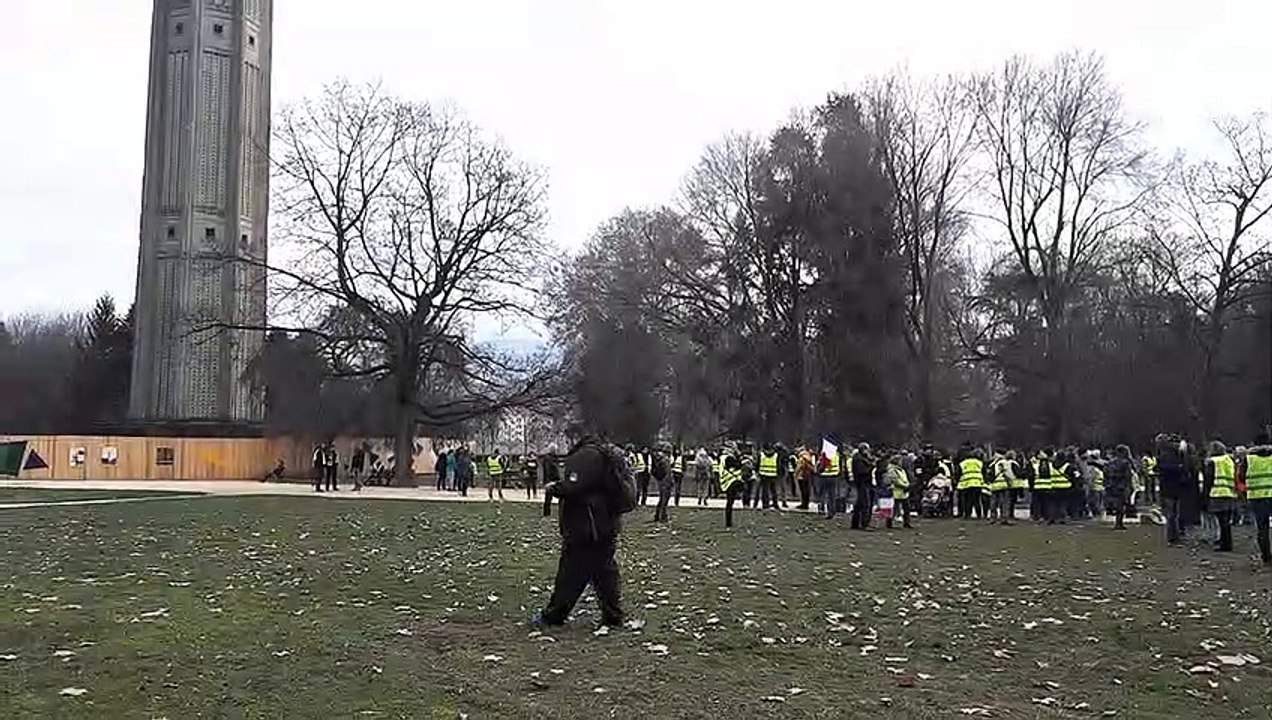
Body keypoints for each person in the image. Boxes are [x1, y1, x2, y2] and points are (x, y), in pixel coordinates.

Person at [533, 437, 626, 628]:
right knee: (605, 574)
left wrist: (555, 488)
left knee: (570, 574)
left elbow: (575, 486)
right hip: (605, 526)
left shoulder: (585, 457)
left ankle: (553, 616)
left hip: (585, 527)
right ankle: (613, 616)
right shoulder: (605, 456)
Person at [1201, 441, 1238, 552]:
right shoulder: (1229, 461)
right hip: (1229, 492)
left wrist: (1204, 496)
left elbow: (1209, 480)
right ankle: (1227, 542)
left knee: (1219, 521)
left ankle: (1223, 543)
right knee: (1226, 521)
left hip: (1216, 493)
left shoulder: (1212, 462)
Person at [1243, 433, 1272, 566]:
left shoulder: (1248, 459)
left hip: (1257, 497)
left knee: (1262, 528)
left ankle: (1266, 556)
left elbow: (1241, 477)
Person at [1156, 435, 1188, 545]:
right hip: (1176, 487)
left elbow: (1163, 468)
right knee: (1174, 513)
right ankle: (1175, 536)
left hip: (1168, 487)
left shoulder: (1165, 455)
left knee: (1171, 514)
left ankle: (1173, 537)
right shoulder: (1178, 455)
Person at [1103, 445, 1135, 530]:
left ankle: (1117, 521)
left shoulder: (1110, 462)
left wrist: (1107, 483)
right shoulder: (1125, 462)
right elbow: (1128, 475)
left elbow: (1105, 473)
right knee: (1122, 504)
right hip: (1121, 485)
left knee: (1115, 504)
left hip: (1111, 485)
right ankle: (1119, 522)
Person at [850, 444, 875, 529]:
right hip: (862, 483)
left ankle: (856, 523)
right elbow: (861, 472)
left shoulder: (860, 458)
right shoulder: (858, 459)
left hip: (865, 483)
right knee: (865, 504)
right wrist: (871, 467)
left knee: (860, 504)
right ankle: (864, 524)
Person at [720, 447, 745, 528]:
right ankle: (728, 523)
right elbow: (737, 466)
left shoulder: (722, 458)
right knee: (730, 503)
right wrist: (740, 459)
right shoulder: (728, 458)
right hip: (731, 481)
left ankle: (728, 522)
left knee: (730, 503)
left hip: (727, 482)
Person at [885, 454, 912, 529]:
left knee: (906, 507)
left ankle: (907, 522)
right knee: (893, 508)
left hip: (903, 492)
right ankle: (889, 523)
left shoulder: (901, 469)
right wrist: (904, 485)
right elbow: (895, 480)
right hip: (896, 491)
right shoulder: (892, 469)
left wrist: (907, 484)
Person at [651, 443, 674, 523]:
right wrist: (670, 482)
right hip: (665, 482)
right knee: (664, 500)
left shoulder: (659, 458)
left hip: (661, 481)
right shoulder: (665, 460)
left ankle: (657, 515)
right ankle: (662, 516)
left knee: (662, 499)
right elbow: (668, 472)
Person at [757, 444, 781, 511]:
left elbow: (758, 464)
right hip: (773, 475)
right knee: (774, 491)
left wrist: (757, 472)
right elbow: (778, 465)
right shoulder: (776, 455)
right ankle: (775, 504)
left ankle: (765, 504)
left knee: (765, 491)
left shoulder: (761, 455)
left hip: (763, 475)